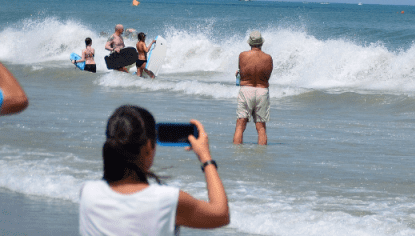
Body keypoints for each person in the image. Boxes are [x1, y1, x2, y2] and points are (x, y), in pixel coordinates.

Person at [79, 105, 229, 235]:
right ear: (148, 147)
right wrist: (205, 157)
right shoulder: (167, 200)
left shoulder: (87, 193)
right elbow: (221, 214)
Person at [233, 30, 273, 145]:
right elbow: (267, 77)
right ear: (261, 43)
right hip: (262, 91)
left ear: (250, 43)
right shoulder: (268, 58)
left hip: (246, 89)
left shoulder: (243, 55)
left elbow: (242, 72)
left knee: (240, 126)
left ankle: (236, 155)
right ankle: (261, 156)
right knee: (261, 128)